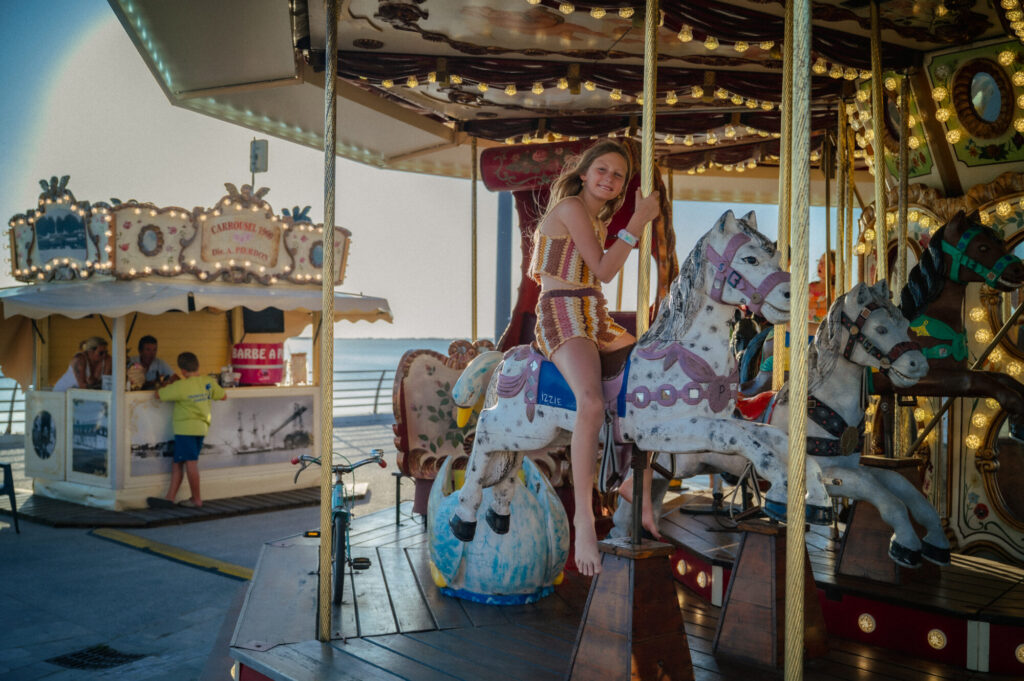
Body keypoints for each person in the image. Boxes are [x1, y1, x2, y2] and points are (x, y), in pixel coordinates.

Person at [529, 140, 660, 576]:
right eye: (601, 170)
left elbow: (599, 279)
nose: (609, 179)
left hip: (593, 312)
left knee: (653, 382)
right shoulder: (569, 208)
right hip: (561, 311)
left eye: (618, 175)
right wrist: (638, 222)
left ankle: (632, 481)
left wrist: (631, 225)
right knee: (591, 404)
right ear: (583, 173)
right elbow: (604, 270)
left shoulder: (597, 221)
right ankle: (584, 520)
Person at [147, 352, 226, 509]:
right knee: (178, 462)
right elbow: (223, 396)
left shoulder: (181, 386)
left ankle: (196, 499)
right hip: (201, 428)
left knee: (190, 463)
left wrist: (169, 382)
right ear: (197, 365)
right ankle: (169, 498)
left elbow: (157, 395)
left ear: (182, 370)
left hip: (185, 429)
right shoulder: (207, 382)